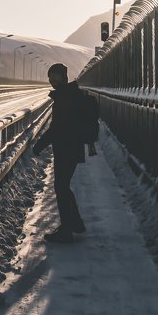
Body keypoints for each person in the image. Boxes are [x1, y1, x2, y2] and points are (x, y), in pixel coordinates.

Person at [33, 63, 99, 243]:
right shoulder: (68, 94)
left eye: (55, 77)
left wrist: (39, 145)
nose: (52, 81)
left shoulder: (65, 98)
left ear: (64, 77)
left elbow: (56, 128)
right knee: (63, 186)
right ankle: (74, 223)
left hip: (67, 147)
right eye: (50, 78)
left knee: (61, 187)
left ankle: (67, 229)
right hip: (70, 147)